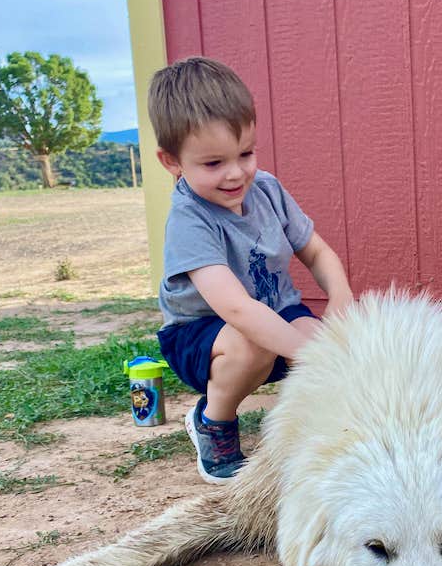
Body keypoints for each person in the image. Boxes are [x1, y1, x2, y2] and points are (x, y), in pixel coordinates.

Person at [148, 57, 353, 482]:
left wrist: (340, 297)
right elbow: (237, 309)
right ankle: (213, 421)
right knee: (253, 344)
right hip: (202, 334)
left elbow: (317, 253)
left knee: (320, 336)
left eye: (245, 153)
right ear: (171, 162)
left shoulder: (268, 190)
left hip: (274, 310)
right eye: (213, 163)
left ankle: (311, 430)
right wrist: (312, 356)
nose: (235, 173)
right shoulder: (190, 219)